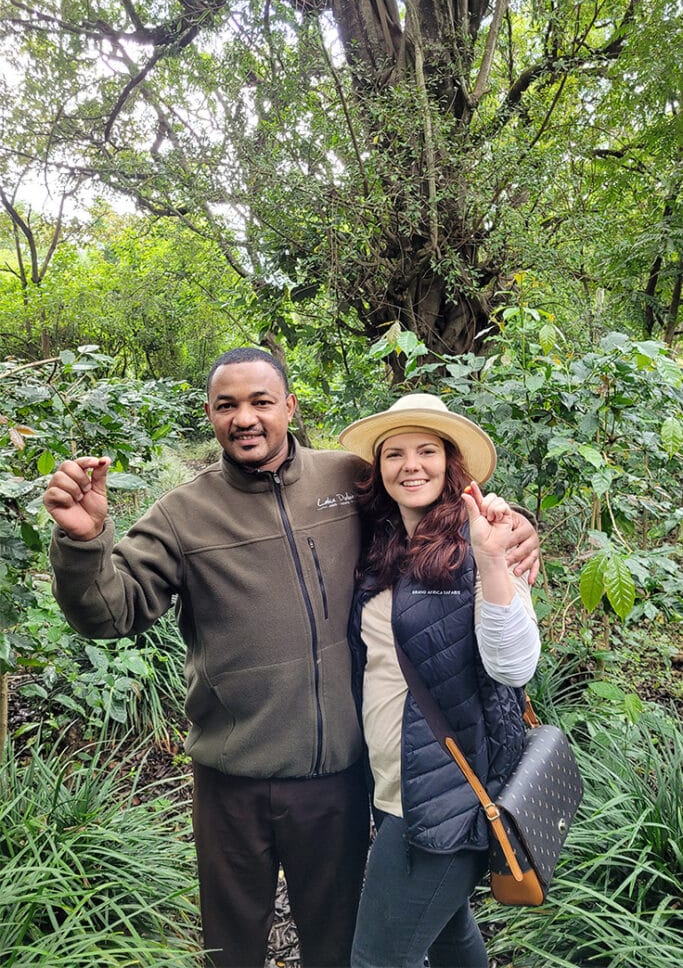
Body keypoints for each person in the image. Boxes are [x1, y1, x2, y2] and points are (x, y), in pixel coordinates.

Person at [42, 349, 541, 968]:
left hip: (337, 774)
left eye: (260, 402)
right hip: (233, 774)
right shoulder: (183, 514)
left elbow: (434, 499)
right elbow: (109, 615)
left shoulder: (346, 480)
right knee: (233, 945)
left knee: (336, 939)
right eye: (227, 405)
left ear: (289, 408)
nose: (245, 418)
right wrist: (85, 541)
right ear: (210, 415)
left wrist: (513, 525)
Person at [338, 393, 541, 968]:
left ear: (451, 464)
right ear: (378, 469)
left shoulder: (482, 542)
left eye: (427, 451)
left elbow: (514, 665)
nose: (411, 465)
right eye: (395, 453)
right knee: (450, 937)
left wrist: (495, 558)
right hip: (389, 784)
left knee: (376, 960)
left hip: (442, 796)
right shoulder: (381, 547)